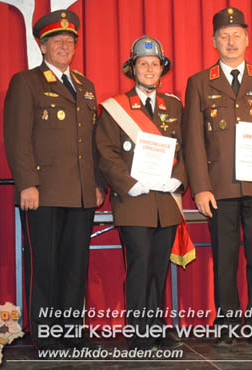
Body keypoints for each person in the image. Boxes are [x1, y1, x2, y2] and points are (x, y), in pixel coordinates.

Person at [183, 7, 252, 347]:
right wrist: (200, 188)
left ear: (247, 39)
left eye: (237, 35)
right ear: (214, 41)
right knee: (225, 258)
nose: (231, 42)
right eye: (224, 36)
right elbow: (193, 141)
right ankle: (227, 326)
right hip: (220, 188)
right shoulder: (200, 82)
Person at [3, 9, 106, 350]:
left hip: (80, 194)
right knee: (44, 266)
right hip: (42, 192)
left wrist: (96, 184)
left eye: (69, 40)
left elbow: (93, 142)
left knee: (75, 265)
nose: (64, 46)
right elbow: (17, 138)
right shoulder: (26, 82)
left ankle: (72, 331)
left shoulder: (86, 87)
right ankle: (46, 333)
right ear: (42, 45)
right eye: (56, 41)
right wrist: (26, 184)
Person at [96, 35, 187, 349]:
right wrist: (129, 183)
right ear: (132, 68)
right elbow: (105, 152)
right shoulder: (114, 109)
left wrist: (179, 179)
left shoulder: (173, 105)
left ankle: (157, 327)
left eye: (154, 64)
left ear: (162, 69)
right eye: (142, 63)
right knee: (139, 264)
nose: (149, 69)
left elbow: (187, 149)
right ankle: (138, 330)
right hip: (134, 200)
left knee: (159, 267)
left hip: (165, 200)